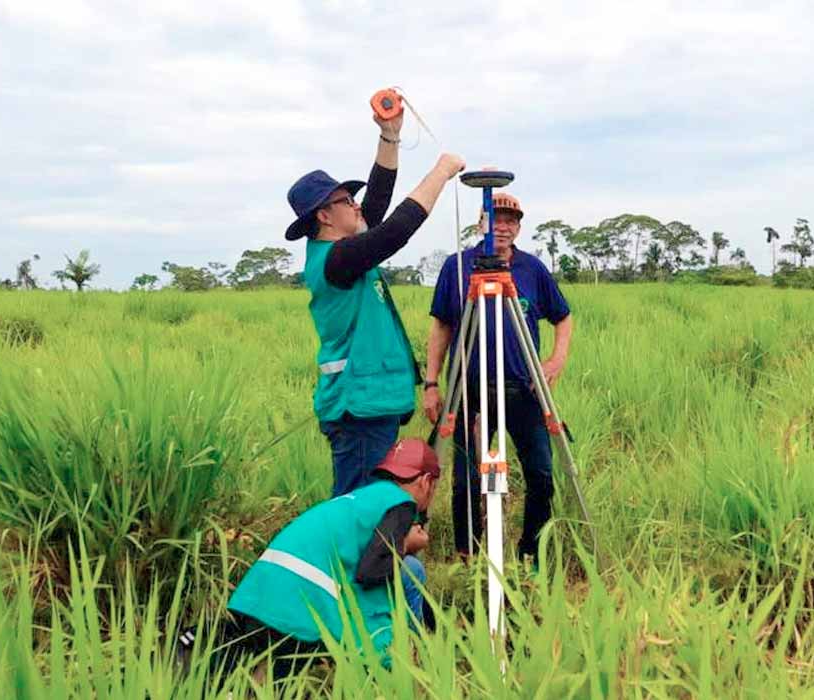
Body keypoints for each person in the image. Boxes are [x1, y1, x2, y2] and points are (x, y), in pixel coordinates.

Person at [284, 107, 465, 497]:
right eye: (347, 200)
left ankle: (376, 559)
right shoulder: (337, 260)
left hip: (369, 405)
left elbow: (378, 204)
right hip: (358, 408)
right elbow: (396, 229)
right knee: (360, 509)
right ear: (324, 216)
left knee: (371, 505)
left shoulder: (345, 251)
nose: (356, 205)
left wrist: (390, 135)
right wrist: (441, 171)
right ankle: (350, 561)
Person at [422, 192, 573, 563]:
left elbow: (562, 317)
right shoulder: (457, 267)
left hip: (523, 390)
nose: (502, 227)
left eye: (511, 221)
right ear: (480, 224)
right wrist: (431, 383)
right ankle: (468, 555)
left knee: (540, 473)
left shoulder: (532, 270)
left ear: (519, 227)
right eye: (495, 219)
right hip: (469, 391)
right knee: (466, 479)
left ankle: (530, 554)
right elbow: (441, 325)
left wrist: (556, 360)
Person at [211, 438, 440, 678]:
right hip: (298, 610)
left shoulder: (360, 500)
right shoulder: (401, 503)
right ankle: (422, 653)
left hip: (259, 595)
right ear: (426, 482)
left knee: (265, 680)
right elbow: (373, 573)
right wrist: (405, 544)